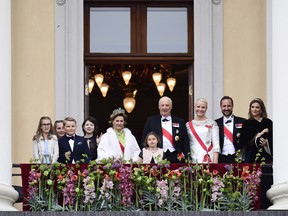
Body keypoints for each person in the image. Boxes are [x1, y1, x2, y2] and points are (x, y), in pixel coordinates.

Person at [141, 96, 189, 163]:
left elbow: (185, 141)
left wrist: (187, 158)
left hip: (176, 156)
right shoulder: (151, 121)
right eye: (162, 105)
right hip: (157, 155)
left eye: (167, 105)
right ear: (159, 107)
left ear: (171, 107)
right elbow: (144, 140)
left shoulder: (180, 121)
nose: (164, 107)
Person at [186, 98, 220, 163]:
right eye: (198, 107)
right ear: (194, 107)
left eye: (203, 107)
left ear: (206, 109)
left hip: (208, 157)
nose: (200, 109)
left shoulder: (212, 123)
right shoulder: (188, 125)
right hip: (193, 158)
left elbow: (216, 144)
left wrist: (215, 163)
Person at [240, 98, 273, 163]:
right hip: (251, 155)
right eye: (252, 107)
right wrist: (261, 133)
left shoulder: (268, 122)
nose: (254, 109)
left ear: (261, 109)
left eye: (257, 107)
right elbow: (244, 141)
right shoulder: (247, 123)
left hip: (266, 155)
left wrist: (267, 143)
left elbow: (273, 137)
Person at [215, 96, 246, 163]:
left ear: (232, 106)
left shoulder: (242, 121)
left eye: (229, 106)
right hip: (221, 158)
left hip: (237, 157)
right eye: (224, 106)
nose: (226, 108)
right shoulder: (215, 123)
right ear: (221, 107)